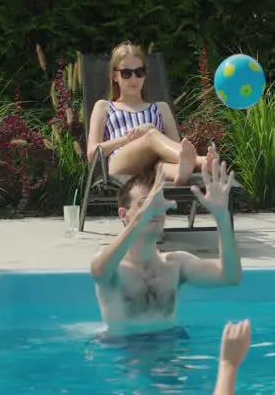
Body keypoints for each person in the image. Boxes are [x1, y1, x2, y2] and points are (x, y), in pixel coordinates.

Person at [89, 154, 242, 338]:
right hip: (124, 353)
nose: (155, 209)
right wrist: (141, 218)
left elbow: (231, 276)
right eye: (145, 203)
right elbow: (98, 271)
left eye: (158, 203)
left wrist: (222, 217)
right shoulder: (113, 267)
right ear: (124, 215)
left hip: (171, 351)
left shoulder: (176, 264)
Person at [86, 41, 212, 185]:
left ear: (145, 75)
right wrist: (130, 138)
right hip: (120, 165)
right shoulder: (104, 106)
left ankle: (180, 172)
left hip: (153, 167)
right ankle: (200, 161)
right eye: (126, 73)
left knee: (161, 163)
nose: (134, 79)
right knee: (151, 135)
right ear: (115, 76)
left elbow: (176, 146)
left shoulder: (160, 107)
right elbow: (92, 153)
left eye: (139, 72)